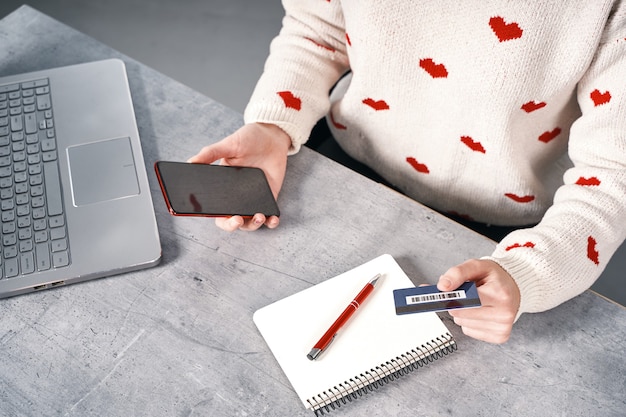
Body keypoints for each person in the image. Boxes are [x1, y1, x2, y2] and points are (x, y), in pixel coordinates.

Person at [189, 1, 626, 344]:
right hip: (346, 157)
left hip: (508, 230)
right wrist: (272, 125)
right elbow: (317, 32)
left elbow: (612, 172)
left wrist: (527, 273)